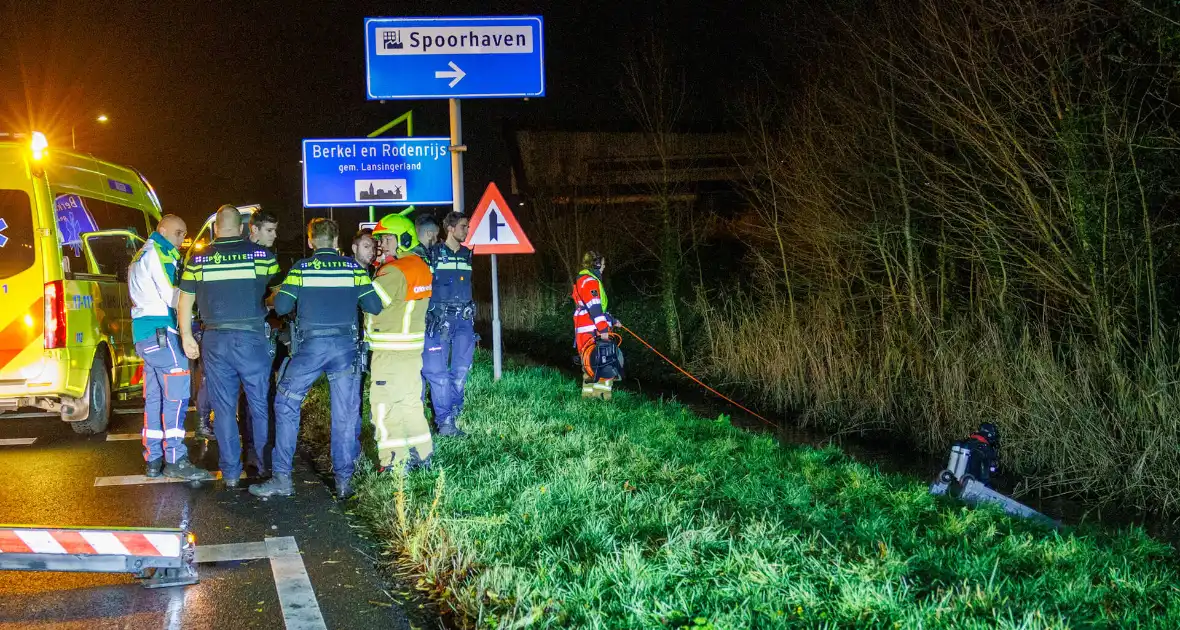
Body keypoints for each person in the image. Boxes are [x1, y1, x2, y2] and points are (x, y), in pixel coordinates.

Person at [250, 218, 383, 499]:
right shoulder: (353, 270)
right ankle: (344, 482)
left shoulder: (301, 269)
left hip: (310, 348)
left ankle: (282, 478)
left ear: (311, 242)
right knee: (345, 414)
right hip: (346, 349)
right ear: (336, 243)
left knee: (286, 403)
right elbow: (374, 305)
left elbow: (283, 305)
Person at [178, 205, 279, 487]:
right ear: (244, 227)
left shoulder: (198, 260)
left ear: (216, 228)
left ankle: (231, 473)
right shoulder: (260, 256)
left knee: (223, 409)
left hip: (215, 340)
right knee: (259, 405)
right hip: (252, 339)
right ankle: (261, 466)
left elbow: (184, 300)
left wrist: (186, 335)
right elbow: (277, 292)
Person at [128, 215, 213, 481]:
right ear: (162, 230)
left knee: (155, 398)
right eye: (178, 233)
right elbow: (173, 295)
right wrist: (199, 296)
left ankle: (153, 459)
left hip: (145, 336)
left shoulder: (141, 254)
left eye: (184, 234)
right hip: (163, 332)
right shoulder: (161, 253)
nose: (181, 240)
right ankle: (176, 459)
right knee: (176, 397)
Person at [366, 213, 434, 472]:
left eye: (386, 239)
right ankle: (422, 454)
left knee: (384, 407)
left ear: (403, 239)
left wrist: (364, 280)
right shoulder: (419, 266)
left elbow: (370, 302)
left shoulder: (393, 271)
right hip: (411, 350)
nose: (381, 244)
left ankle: (394, 461)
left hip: (389, 351)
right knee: (410, 403)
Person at [422, 211, 474, 437]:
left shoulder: (467, 254)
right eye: (463, 226)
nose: (467, 230)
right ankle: (444, 421)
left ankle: (454, 411)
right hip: (439, 321)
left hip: (464, 321)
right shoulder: (433, 254)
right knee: (439, 372)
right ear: (450, 229)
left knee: (462, 370)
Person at [572, 251, 620, 400]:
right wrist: (604, 329)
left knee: (589, 366)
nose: (604, 267)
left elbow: (593, 308)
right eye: (603, 264)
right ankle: (603, 401)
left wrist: (612, 320)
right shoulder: (590, 281)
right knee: (604, 366)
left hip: (584, 331)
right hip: (593, 331)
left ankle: (588, 401)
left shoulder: (583, 279)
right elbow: (594, 308)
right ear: (597, 264)